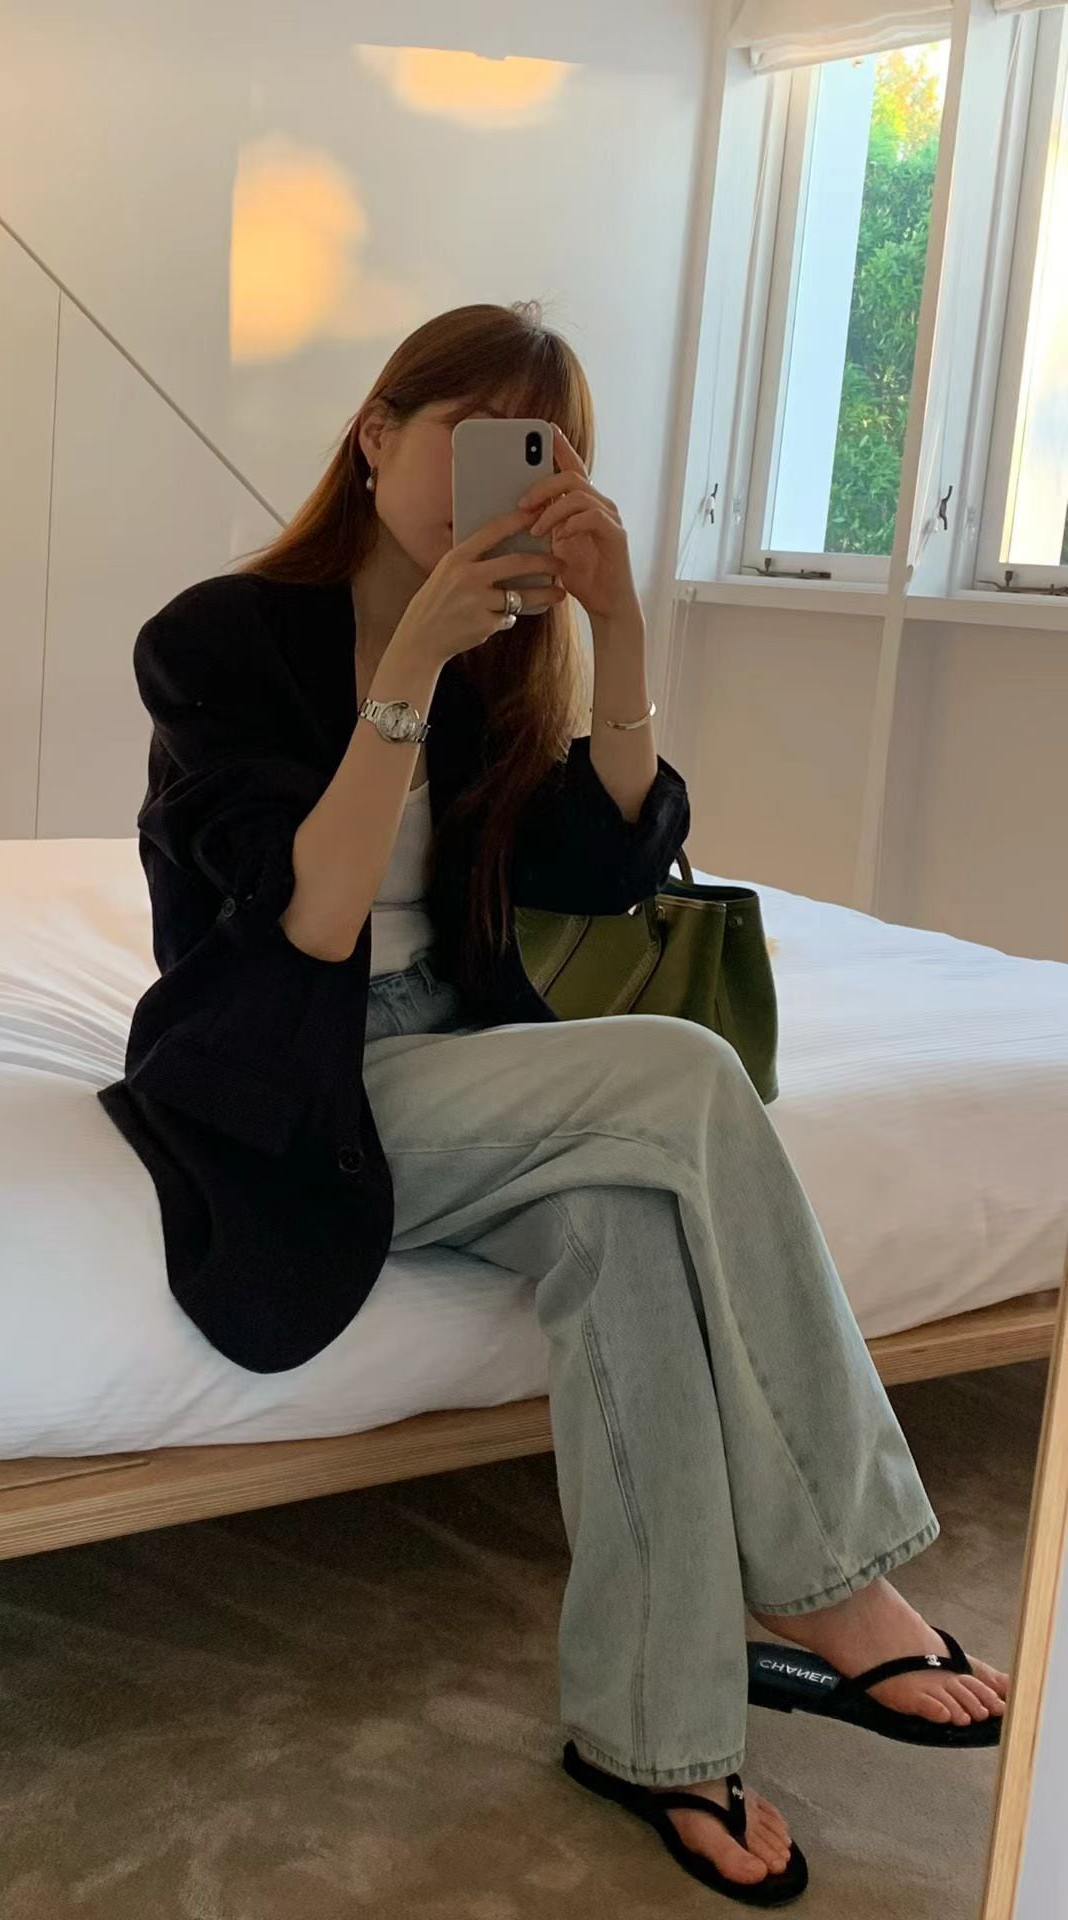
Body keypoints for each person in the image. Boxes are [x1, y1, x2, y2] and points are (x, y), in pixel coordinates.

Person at [99, 302, 1009, 1905]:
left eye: (542, 448)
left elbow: (602, 867)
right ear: (377, 436)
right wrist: (406, 669)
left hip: (462, 1061)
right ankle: (830, 1571)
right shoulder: (219, 640)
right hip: (293, 1075)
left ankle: (656, 1736)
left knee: (623, 1230)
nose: (505, 477)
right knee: (687, 1073)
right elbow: (311, 924)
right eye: (472, 435)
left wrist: (622, 629)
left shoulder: (510, 657)